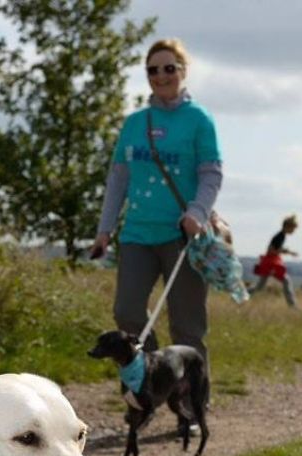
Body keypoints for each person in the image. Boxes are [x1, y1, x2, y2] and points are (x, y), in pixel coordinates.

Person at [91, 38, 221, 384]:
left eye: (169, 68)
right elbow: (118, 178)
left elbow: (211, 173)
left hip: (183, 236)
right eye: (153, 69)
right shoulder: (135, 123)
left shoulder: (199, 120)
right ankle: (156, 377)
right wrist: (105, 229)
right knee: (127, 312)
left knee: (186, 325)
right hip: (137, 233)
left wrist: (197, 212)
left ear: (183, 71)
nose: (161, 76)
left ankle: (193, 402)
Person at [249, 215, 299, 307]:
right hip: (271, 263)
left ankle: (240, 296)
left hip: (269, 263)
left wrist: (288, 252)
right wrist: (285, 252)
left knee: (259, 287)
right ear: (287, 226)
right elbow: (271, 250)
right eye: (293, 228)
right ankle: (293, 306)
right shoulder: (279, 236)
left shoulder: (282, 236)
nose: (293, 231)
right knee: (286, 281)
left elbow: (276, 248)